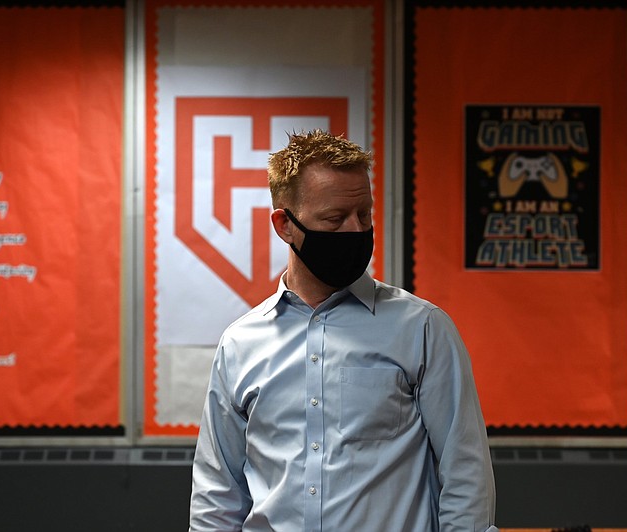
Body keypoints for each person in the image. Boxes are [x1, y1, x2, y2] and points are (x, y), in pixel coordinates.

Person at [189, 130, 498, 531]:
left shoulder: (422, 329)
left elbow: (466, 475)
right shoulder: (240, 344)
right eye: (335, 219)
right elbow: (217, 491)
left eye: (364, 214)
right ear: (285, 225)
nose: (356, 231)